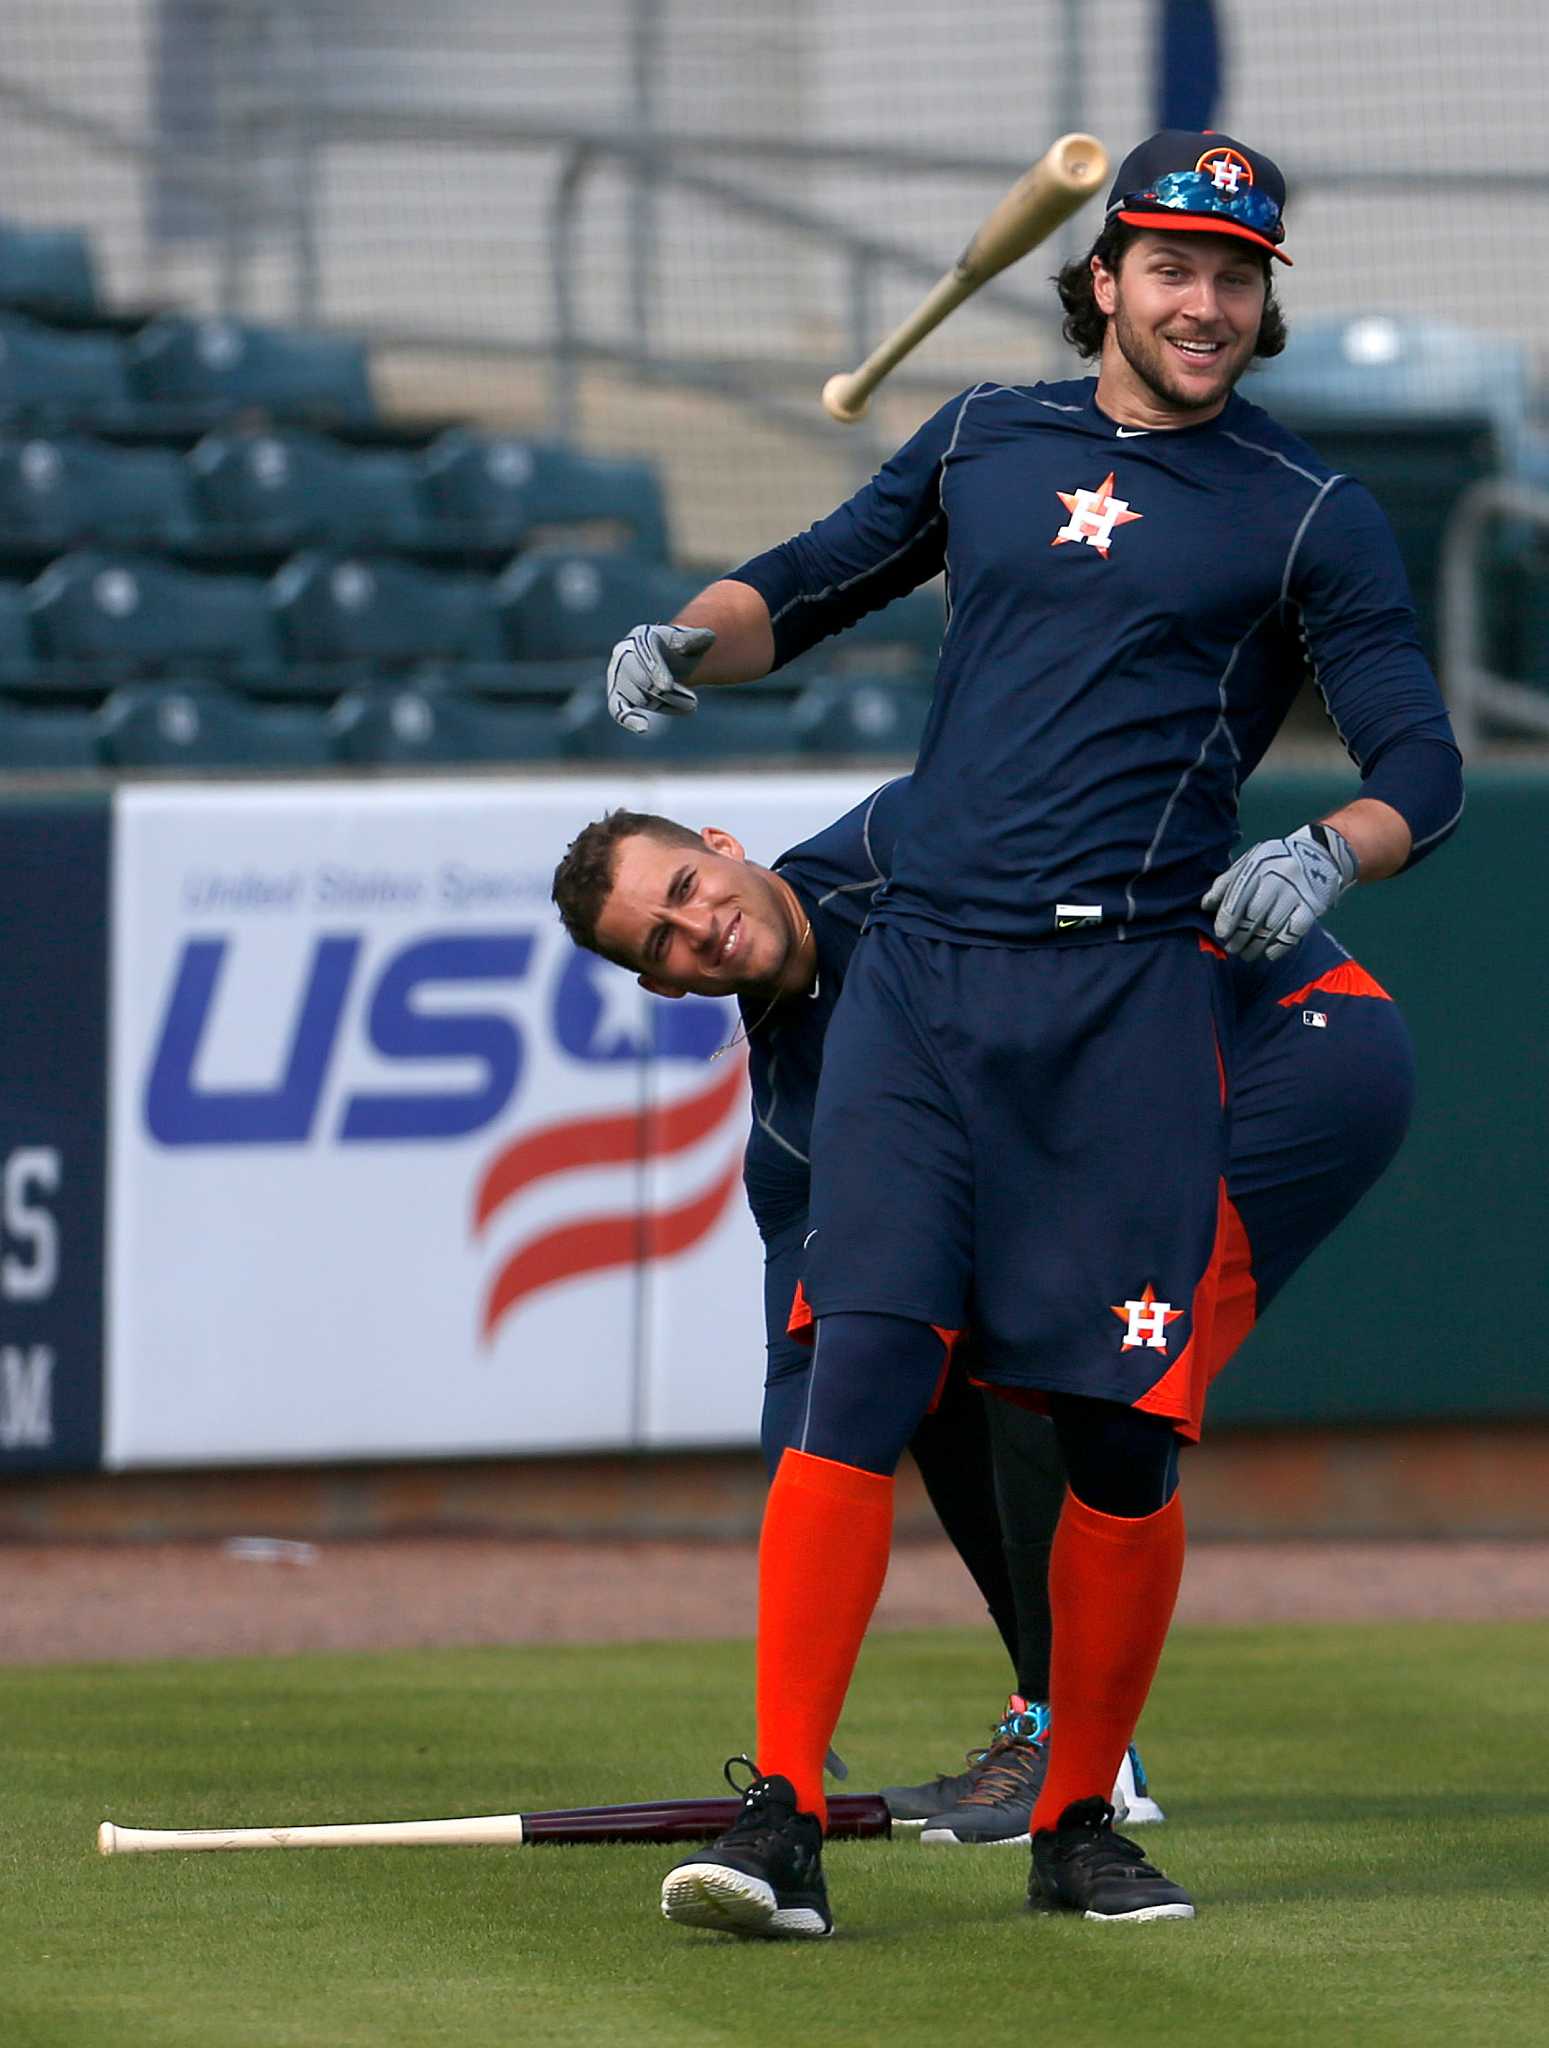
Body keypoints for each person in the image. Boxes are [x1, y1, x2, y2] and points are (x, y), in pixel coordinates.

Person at [598, 128, 1463, 1935]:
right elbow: (810, 572)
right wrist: (688, 637)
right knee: (863, 1372)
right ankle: (777, 1819)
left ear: (1260, 298)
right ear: (1102, 280)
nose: (1201, 302)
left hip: (1131, 1001)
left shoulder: (1307, 507)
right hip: (924, 983)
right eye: (1167, 267)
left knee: (1120, 1435)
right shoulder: (984, 435)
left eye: (1233, 276)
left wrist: (1326, 847)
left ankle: (1078, 1818)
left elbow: (1420, 765)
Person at [551, 778, 1415, 1850]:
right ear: (664, 987)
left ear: (724, 845)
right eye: (664, 942)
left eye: (686, 885)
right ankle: (1052, 1722)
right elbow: (807, 1372)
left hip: (1292, 1044)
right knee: (922, 1359)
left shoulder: (901, 835)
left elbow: (1120, 852)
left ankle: (1079, 1755)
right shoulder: (789, 1126)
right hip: (1145, 1110)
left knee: (1055, 1351)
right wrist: (797, 1665)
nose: (700, 929)